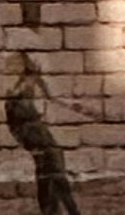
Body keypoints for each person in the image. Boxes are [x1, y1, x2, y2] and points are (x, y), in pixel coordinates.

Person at [6, 53, 84, 215]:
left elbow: (51, 97)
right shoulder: (14, 88)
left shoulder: (29, 81)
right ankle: (63, 209)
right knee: (50, 169)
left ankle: (63, 208)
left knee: (52, 167)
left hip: (36, 131)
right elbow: (13, 118)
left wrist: (72, 105)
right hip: (31, 133)